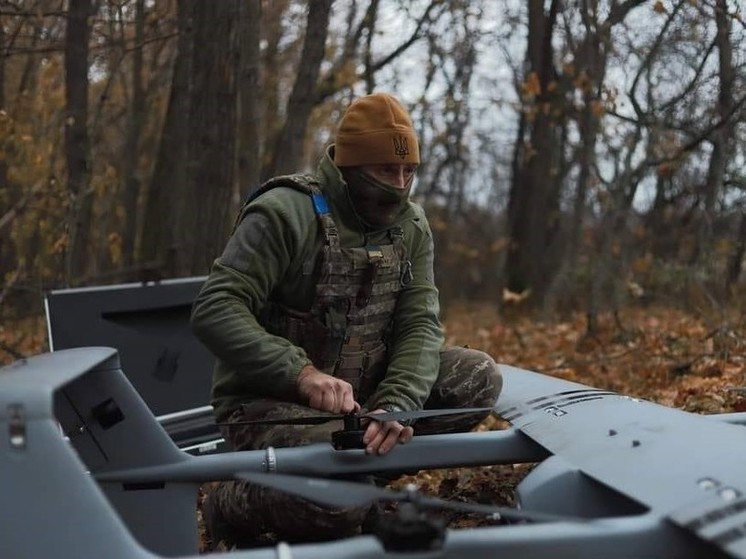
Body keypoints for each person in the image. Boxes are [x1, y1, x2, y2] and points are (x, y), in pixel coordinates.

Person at [191, 92, 503, 548]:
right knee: (339, 500)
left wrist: (397, 404)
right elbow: (215, 307)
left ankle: (363, 483)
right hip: (267, 404)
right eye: (385, 171)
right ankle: (234, 501)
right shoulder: (284, 213)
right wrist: (299, 374)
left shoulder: (411, 227)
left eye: (408, 172)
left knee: (477, 377)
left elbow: (420, 323)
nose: (398, 184)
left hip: (362, 405)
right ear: (350, 168)